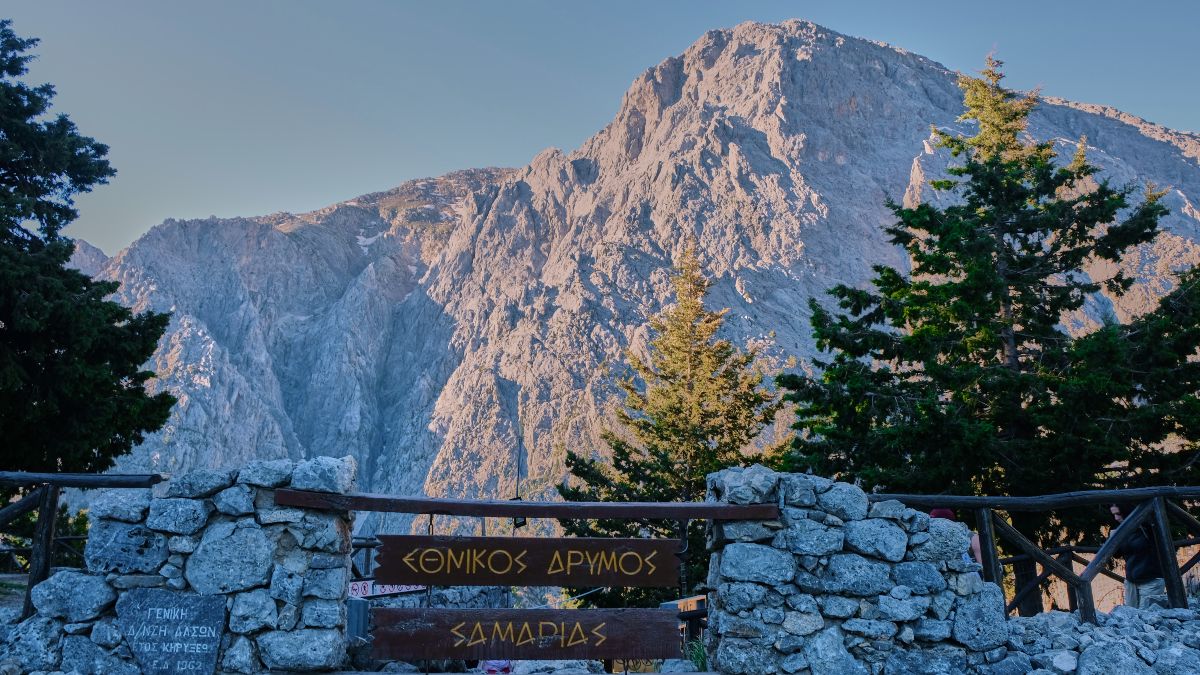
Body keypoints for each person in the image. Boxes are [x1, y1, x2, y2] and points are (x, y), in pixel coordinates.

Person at [1110, 503, 1167, 609]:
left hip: (1151, 580)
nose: (1116, 518)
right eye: (1114, 514)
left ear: (1126, 511)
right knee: (1130, 615)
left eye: (1118, 513)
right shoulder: (1122, 529)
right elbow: (1117, 554)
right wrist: (1113, 539)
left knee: (1146, 615)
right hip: (1131, 581)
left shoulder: (1147, 527)